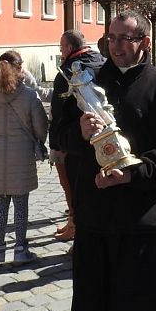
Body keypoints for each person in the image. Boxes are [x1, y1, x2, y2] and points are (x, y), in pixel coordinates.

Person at [55, 10, 156, 311]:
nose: (115, 45)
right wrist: (78, 132)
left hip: (140, 223)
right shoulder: (84, 84)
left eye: (124, 38)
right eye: (111, 38)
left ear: (144, 43)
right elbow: (57, 136)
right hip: (93, 221)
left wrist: (134, 173)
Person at [0, 50, 48, 264]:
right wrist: (38, 141)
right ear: (18, 68)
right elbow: (40, 125)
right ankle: (20, 249)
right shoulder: (27, 95)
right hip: (22, 153)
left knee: (0, 203)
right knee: (21, 203)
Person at [49, 29, 106, 243]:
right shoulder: (102, 63)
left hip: (75, 140)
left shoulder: (66, 73)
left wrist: (57, 143)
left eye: (61, 47)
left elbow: (59, 111)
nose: (60, 51)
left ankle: (79, 233)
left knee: (75, 189)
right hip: (102, 135)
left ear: (70, 48)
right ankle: (74, 224)